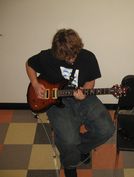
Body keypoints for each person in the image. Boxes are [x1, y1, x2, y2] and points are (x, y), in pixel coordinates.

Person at [26, 28, 115, 177]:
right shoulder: (48, 56)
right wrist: (35, 84)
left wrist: (84, 94)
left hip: (82, 95)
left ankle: (82, 149)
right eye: (66, 57)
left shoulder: (88, 57)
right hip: (55, 100)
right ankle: (69, 163)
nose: (71, 60)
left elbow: (90, 81)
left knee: (107, 129)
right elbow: (29, 64)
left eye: (73, 56)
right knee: (68, 140)